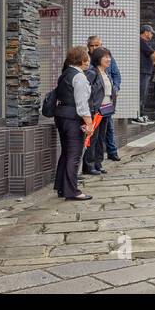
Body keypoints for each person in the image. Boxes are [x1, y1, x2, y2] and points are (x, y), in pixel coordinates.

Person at [52, 45, 94, 201]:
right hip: (73, 119)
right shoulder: (80, 77)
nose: (89, 61)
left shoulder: (65, 74)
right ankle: (72, 191)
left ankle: (62, 187)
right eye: (87, 58)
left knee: (66, 152)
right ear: (83, 60)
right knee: (74, 155)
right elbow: (82, 104)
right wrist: (89, 124)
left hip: (61, 116)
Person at [87, 35, 123, 162]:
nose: (95, 48)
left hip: (107, 102)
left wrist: (116, 88)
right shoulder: (87, 62)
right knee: (95, 134)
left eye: (97, 45)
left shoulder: (108, 59)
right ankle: (91, 162)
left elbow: (116, 75)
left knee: (108, 129)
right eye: (92, 45)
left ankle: (110, 152)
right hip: (95, 105)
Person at [82, 47, 115, 176]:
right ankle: (89, 166)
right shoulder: (92, 72)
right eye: (105, 57)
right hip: (96, 111)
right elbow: (87, 92)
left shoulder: (106, 72)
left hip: (106, 110)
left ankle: (98, 163)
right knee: (93, 138)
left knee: (101, 138)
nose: (108, 59)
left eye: (109, 56)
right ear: (98, 58)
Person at [134, 24, 155, 124]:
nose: (152, 35)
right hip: (142, 71)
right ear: (146, 32)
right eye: (151, 33)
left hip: (146, 71)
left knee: (144, 94)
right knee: (141, 94)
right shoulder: (141, 41)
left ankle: (141, 115)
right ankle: (137, 116)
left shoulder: (145, 42)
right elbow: (153, 54)